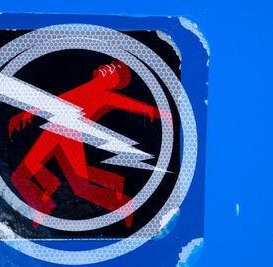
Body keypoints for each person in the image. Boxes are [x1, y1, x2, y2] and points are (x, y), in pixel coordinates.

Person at [9, 61, 173, 228]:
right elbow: (59, 101)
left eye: (114, 70)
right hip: (53, 132)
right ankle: (45, 199)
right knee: (21, 175)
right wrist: (26, 114)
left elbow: (132, 105)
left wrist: (163, 114)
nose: (108, 67)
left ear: (114, 82)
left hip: (68, 136)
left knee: (79, 187)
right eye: (110, 65)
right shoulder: (86, 86)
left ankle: (123, 203)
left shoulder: (106, 95)